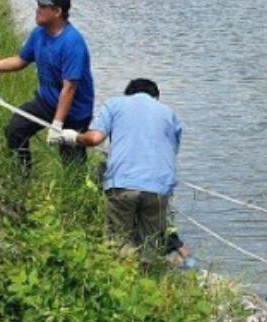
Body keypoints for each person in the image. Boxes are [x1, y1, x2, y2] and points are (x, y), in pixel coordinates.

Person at [0, 0, 95, 170]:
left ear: (57, 11)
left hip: (73, 112)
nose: (37, 10)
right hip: (47, 101)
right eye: (38, 5)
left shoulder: (72, 43)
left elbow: (70, 88)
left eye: (42, 7)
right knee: (16, 130)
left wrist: (57, 125)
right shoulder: (39, 34)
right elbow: (20, 60)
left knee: (72, 165)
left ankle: (78, 194)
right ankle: (23, 174)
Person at [69, 78, 183, 254]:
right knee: (150, 246)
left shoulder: (114, 105)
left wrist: (73, 137)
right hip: (159, 187)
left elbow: (94, 139)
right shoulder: (169, 114)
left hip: (123, 183)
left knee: (119, 243)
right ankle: (148, 275)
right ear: (156, 97)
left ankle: (124, 272)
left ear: (128, 94)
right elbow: (170, 151)